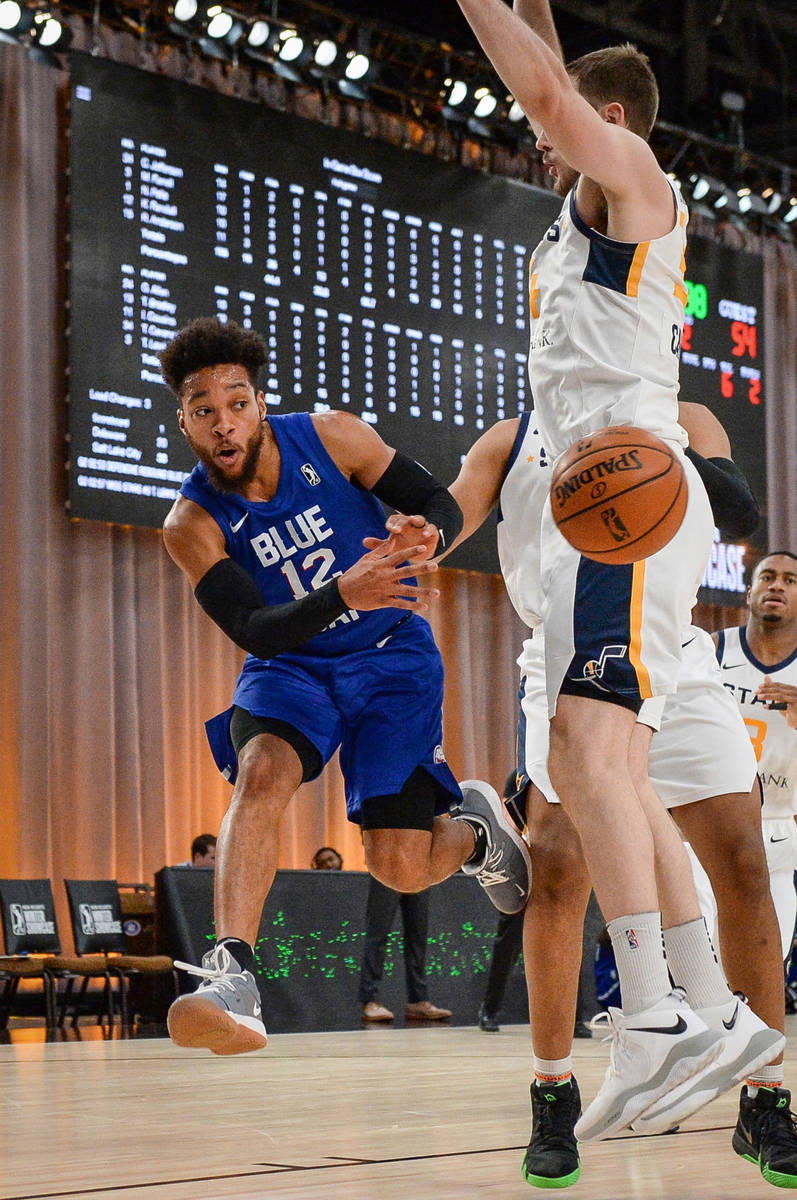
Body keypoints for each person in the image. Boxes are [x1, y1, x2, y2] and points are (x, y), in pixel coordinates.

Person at [452, 0, 749, 1145]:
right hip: (609, 497)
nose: (539, 141)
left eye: (565, 121)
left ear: (608, 114)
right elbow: (544, 69)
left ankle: (658, 1014)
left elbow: (541, 95)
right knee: (606, 770)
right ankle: (703, 1007)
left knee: (585, 754)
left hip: (616, 492)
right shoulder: (581, 217)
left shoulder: (629, 173)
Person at [157, 317, 531, 1056]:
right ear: (186, 423)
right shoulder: (190, 522)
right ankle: (232, 976)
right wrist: (342, 594)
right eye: (204, 410)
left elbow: (437, 503)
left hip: (391, 659)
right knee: (260, 772)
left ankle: (476, 831)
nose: (223, 423)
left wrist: (428, 534)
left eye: (235, 402)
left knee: (398, 865)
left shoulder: (334, 438)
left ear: (260, 404)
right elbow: (257, 629)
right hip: (289, 667)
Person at [446, 392, 785, 1186]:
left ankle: (765, 1099)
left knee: (741, 862)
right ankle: (552, 1090)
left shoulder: (682, 414)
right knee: (558, 872)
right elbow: (444, 518)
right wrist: (402, 533)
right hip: (563, 657)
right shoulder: (511, 437)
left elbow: (736, 513)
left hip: (675, 656)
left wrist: (654, 458)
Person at [358, 877, 452, 1023]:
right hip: (387, 866)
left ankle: (418, 1000)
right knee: (378, 936)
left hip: (418, 870)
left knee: (418, 937)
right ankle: (370, 1000)